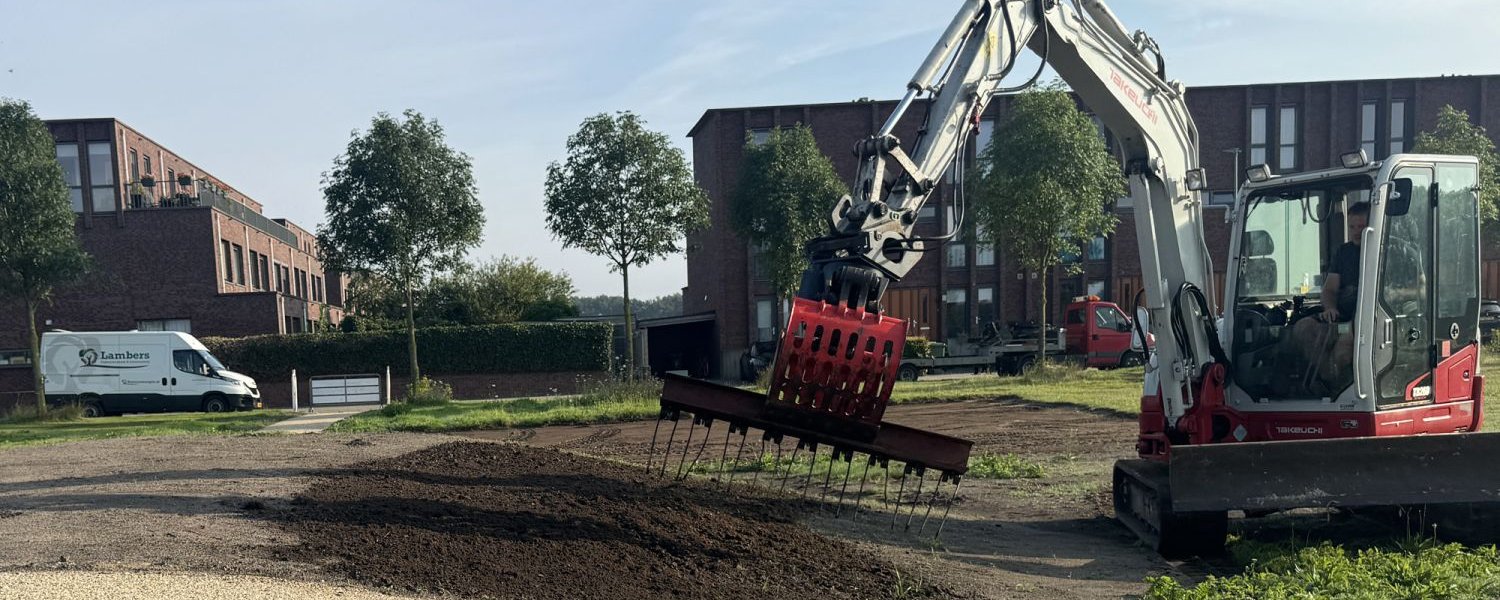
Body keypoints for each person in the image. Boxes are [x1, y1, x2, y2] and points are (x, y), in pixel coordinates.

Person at [1290, 201, 1369, 389]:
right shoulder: (1343, 252)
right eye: (1352, 227)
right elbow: (1330, 289)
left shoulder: (1392, 249)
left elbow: (1419, 289)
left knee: (1345, 346)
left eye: (1361, 227)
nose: (1356, 231)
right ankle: (1327, 378)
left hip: (1369, 319)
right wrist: (1330, 308)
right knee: (1302, 328)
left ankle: (1332, 386)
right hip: (1341, 316)